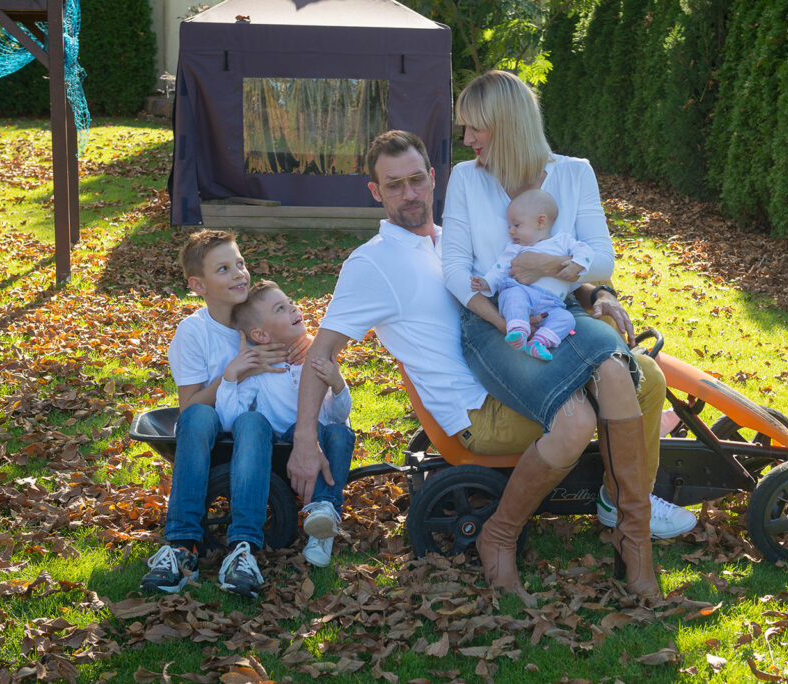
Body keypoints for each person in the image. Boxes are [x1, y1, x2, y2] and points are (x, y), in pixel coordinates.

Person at [288, 131, 686, 602]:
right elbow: (321, 352)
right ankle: (503, 535)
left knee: (645, 374)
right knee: (578, 416)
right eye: (394, 185)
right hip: (478, 411)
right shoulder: (372, 264)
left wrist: (597, 294)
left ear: (435, 179)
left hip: (520, 375)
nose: (410, 193)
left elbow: (534, 275)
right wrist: (305, 438)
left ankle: (615, 501)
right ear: (375, 192)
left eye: (417, 179)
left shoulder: (456, 242)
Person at [442, 71, 696, 598]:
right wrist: (507, 318)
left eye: (475, 129)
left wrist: (546, 265)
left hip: (560, 312)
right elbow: (454, 270)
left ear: (508, 125)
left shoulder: (575, 174)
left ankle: (634, 539)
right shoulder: (467, 179)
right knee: (575, 419)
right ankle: (499, 536)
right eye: (464, 130)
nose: (467, 141)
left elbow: (601, 259)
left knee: (617, 372)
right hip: (495, 323)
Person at [140, 230, 309, 599]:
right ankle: (181, 544)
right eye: (223, 269)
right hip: (214, 429)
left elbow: (303, 339)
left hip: (268, 425)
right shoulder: (194, 332)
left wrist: (306, 345)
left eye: (240, 263)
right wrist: (236, 370)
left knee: (251, 422)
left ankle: (242, 548)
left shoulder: (262, 317)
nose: (238, 274)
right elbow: (189, 409)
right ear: (198, 285)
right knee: (198, 418)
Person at [217, 280, 356, 568]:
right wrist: (232, 375)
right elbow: (231, 419)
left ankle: (324, 519)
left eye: (290, 302)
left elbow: (338, 415)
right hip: (286, 445)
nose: (294, 307)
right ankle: (323, 510)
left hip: (325, 442)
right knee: (313, 430)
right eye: (281, 308)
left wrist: (337, 382)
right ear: (261, 334)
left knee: (341, 433)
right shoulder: (261, 374)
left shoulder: (313, 362)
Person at [470, 188, 592, 361]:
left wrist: (577, 264)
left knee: (567, 319)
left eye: (517, 225)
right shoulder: (515, 248)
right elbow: (499, 269)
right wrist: (486, 283)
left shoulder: (563, 241)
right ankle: (518, 331)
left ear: (541, 222)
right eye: (509, 226)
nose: (511, 231)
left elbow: (585, 250)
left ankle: (539, 343)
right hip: (522, 292)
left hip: (552, 304)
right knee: (512, 295)